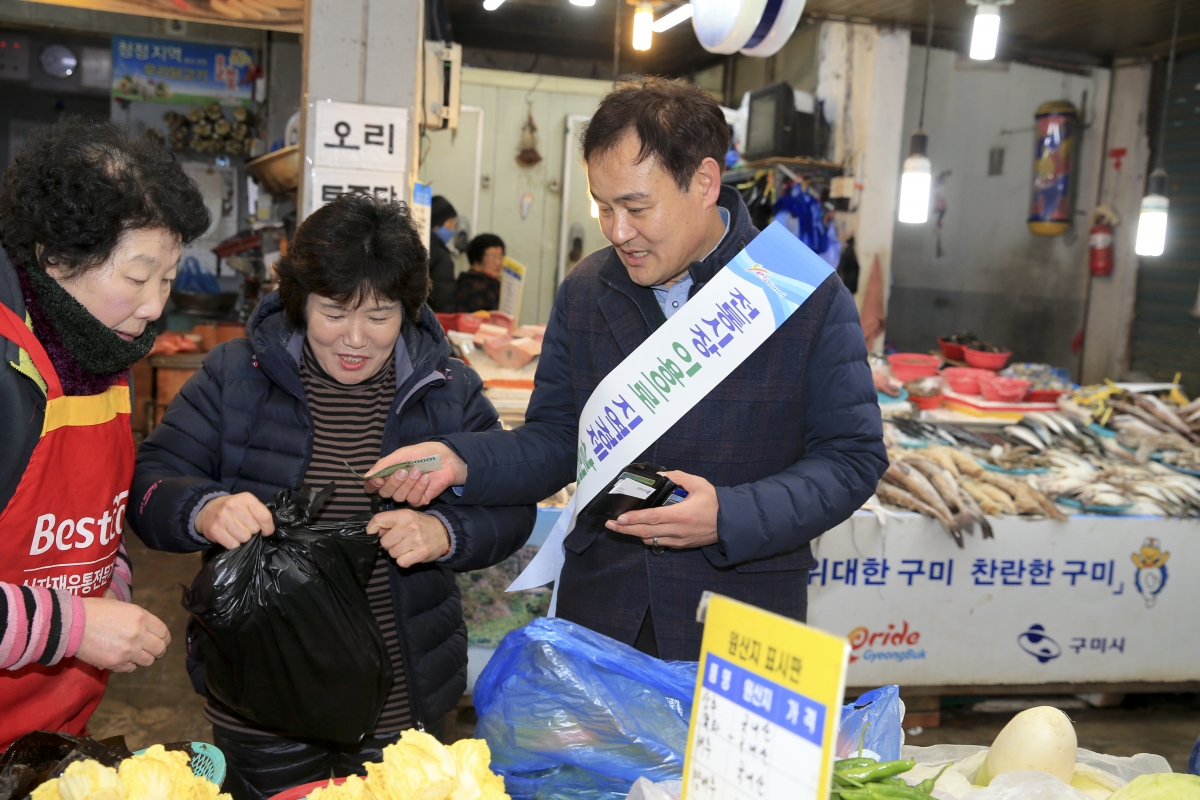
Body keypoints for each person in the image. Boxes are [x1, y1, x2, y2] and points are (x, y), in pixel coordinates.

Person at [368, 78, 888, 661]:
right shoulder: (588, 289)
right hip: (603, 611)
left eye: (637, 208)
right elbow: (559, 441)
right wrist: (461, 460)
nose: (618, 232)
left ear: (705, 182)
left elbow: (852, 458)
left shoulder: (802, 294)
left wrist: (729, 515)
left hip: (739, 618)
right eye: (604, 207)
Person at [129, 193, 534, 800]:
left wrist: (445, 532)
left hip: (403, 704)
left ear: (408, 310)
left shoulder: (447, 390)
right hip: (262, 702)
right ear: (300, 299)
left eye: (379, 316)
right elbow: (151, 481)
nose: (355, 339)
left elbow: (513, 506)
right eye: (334, 312)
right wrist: (204, 509)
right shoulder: (236, 375)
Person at [0, 117, 209, 748]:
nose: (154, 307)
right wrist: (73, 626)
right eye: (137, 278)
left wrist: (110, 582)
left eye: (168, 279)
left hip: (48, 737)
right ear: (57, 257)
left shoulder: (97, 346)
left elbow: (93, 517)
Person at [454, 233, 504, 313]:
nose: (498, 262)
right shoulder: (473, 286)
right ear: (476, 259)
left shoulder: (493, 284)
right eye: (492, 256)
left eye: (500, 256)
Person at [427, 195, 458, 313]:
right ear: (436, 224)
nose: (453, 229)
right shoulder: (442, 257)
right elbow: (443, 301)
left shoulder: (417, 248)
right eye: (450, 223)